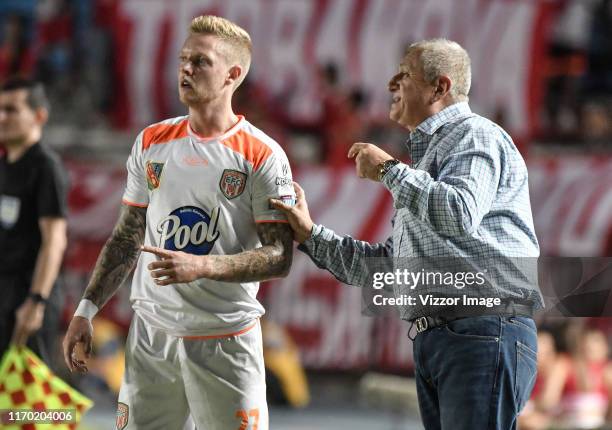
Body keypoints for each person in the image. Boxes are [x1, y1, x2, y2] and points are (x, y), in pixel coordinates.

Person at [272, 38, 543, 430]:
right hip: (450, 337)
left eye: (404, 74)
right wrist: (311, 235)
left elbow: (459, 211)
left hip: (481, 326)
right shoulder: (430, 160)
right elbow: (389, 268)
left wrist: (388, 170)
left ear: (440, 87)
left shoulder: (475, 135)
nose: (390, 84)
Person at [62, 15, 294, 430]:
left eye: (200, 62)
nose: (185, 69)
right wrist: (86, 309)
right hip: (151, 336)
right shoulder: (152, 141)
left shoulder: (262, 155)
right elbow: (126, 237)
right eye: (183, 59)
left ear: (232, 75)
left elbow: (279, 255)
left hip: (225, 340)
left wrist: (202, 266)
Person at [0, 78, 68, 366]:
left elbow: (55, 240)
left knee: (26, 401)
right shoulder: (4, 166)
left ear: (39, 116)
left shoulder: (45, 167)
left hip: (27, 295)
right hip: (4, 289)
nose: (2, 117)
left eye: (11, 110)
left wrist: (36, 301)